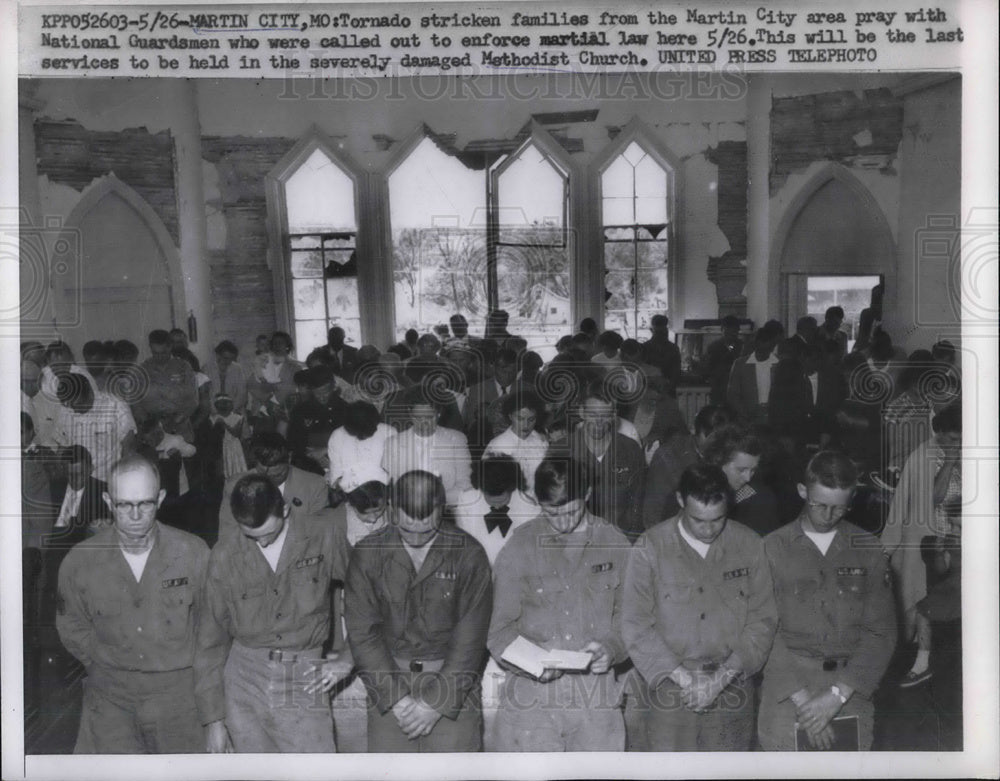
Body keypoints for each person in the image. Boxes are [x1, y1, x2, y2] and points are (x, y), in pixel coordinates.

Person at [55, 455, 210, 753]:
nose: (136, 514)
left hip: (178, 699)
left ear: (161, 498)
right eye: (124, 504)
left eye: (146, 503)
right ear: (108, 501)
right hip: (110, 698)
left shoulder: (193, 553)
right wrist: (104, 661)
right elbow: (70, 624)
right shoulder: (80, 560)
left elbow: (211, 625)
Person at [622, 463, 777, 751]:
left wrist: (719, 681)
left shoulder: (750, 545)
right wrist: (686, 681)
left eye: (718, 519)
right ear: (680, 500)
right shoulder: (650, 548)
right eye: (698, 520)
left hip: (732, 686)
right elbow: (636, 626)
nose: (708, 529)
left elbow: (762, 621)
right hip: (670, 691)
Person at [195, 474, 351, 753]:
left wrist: (350, 656)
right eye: (251, 537)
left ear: (286, 510)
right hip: (244, 680)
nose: (262, 544)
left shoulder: (322, 536)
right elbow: (210, 639)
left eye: (269, 533)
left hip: (304, 673)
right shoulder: (224, 554)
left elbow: (370, 595)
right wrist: (214, 721)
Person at [488, 456, 631, 751]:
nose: (563, 522)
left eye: (572, 511)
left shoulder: (615, 544)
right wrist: (531, 664)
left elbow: (631, 621)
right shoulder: (520, 546)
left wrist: (613, 648)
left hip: (595, 700)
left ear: (588, 494)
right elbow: (498, 632)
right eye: (552, 513)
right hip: (533, 702)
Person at [344, 470, 493, 752]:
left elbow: (471, 640)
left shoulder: (469, 554)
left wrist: (436, 704)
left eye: (427, 530)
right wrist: (395, 699)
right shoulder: (367, 553)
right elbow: (363, 633)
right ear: (391, 510)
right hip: (387, 680)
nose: (416, 538)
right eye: (406, 529)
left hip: (453, 685)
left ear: (442, 511)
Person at [758, 451, 896, 750]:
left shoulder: (868, 549)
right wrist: (807, 705)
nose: (828, 515)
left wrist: (836, 696)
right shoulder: (771, 548)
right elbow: (762, 631)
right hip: (787, 693)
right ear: (802, 491)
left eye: (839, 508)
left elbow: (881, 632)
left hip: (850, 691)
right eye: (819, 505)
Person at [881, 402, 962, 688]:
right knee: (924, 606)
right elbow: (934, 499)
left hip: (963, 544)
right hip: (934, 543)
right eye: (947, 439)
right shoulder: (930, 455)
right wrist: (951, 460)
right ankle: (922, 662)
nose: (953, 444)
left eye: (957, 439)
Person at [217, 432, 333, 545]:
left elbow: (319, 536)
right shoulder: (234, 486)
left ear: (289, 458)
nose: (270, 481)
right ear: (255, 463)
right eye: (262, 474)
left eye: (277, 475)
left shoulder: (315, 485)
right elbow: (227, 535)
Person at [565, 382, 645, 541]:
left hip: (621, 540)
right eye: (593, 415)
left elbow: (638, 504)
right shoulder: (562, 450)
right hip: (576, 543)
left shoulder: (631, 449)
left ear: (615, 415)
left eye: (606, 415)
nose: (599, 422)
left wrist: (628, 543)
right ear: (581, 412)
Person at [642, 404, 736, 529]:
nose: (716, 444)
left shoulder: (731, 453)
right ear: (693, 429)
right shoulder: (668, 456)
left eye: (722, 439)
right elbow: (653, 513)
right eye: (710, 437)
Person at [381, 397, 473, 506]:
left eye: (430, 417)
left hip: (447, 509)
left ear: (439, 413)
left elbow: (465, 484)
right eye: (418, 418)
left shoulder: (457, 439)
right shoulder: (393, 443)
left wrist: (432, 503)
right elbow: (392, 487)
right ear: (410, 414)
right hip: (407, 509)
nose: (424, 423)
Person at [453, 454, 537, 565]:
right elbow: (466, 546)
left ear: (512, 488)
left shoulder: (528, 506)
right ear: (481, 488)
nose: (497, 505)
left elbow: (530, 550)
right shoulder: (467, 502)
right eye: (490, 498)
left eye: (503, 499)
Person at [52, 372, 137, 483]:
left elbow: (128, 448)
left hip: (107, 480)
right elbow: (62, 446)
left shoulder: (116, 406)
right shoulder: (65, 410)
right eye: (68, 405)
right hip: (77, 481)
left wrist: (124, 480)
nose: (74, 410)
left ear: (90, 393)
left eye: (77, 404)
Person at [702, 424, 784, 537]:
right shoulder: (692, 495)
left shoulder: (761, 500)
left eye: (753, 470)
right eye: (741, 470)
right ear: (717, 463)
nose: (748, 478)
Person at [134, 329, 199, 444]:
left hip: (180, 428)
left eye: (163, 352)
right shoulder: (142, 370)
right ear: (150, 347)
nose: (159, 357)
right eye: (155, 353)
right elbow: (136, 402)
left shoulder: (183, 367)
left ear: (170, 347)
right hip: (152, 431)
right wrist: (149, 424)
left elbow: (193, 400)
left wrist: (176, 421)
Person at [483, 390, 549, 496]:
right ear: (510, 416)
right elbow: (490, 485)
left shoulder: (540, 440)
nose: (526, 425)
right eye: (520, 418)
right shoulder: (499, 445)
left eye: (531, 419)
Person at [327, 400, 393, 497]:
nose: (362, 436)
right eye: (357, 431)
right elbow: (336, 477)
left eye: (366, 431)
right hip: (350, 496)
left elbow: (394, 473)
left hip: (384, 493)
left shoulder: (388, 432)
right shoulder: (337, 435)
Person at [727, 329, 779, 424]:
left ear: (773, 346)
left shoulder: (779, 364)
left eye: (768, 349)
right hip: (748, 420)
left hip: (774, 419)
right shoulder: (740, 364)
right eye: (761, 349)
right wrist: (747, 414)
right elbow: (733, 394)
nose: (764, 353)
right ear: (756, 344)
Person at [702, 316, 743, 405]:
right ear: (722, 330)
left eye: (734, 332)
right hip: (719, 392)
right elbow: (708, 370)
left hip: (738, 392)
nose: (731, 334)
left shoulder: (742, 347)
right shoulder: (713, 347)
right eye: (728, 331)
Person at [641, 315, 681, 393]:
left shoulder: (673, 348)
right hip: (650, 390)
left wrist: (669, 387)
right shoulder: (644, 348)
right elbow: (642, 371)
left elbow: (676, 372)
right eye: (659, 332)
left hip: (667, 390)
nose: (663, 333)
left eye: (664, 331)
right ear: (652, 330)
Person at [206, 340, 248, 414]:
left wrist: (232, 410)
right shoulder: (207, 369)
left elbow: (242, 393)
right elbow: (206, 396)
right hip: (212, 411)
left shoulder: (238, 368)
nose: (228, 361)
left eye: (231, 359)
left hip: (234, 410)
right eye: (225, 358)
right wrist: (214, 412)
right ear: (217, 355)